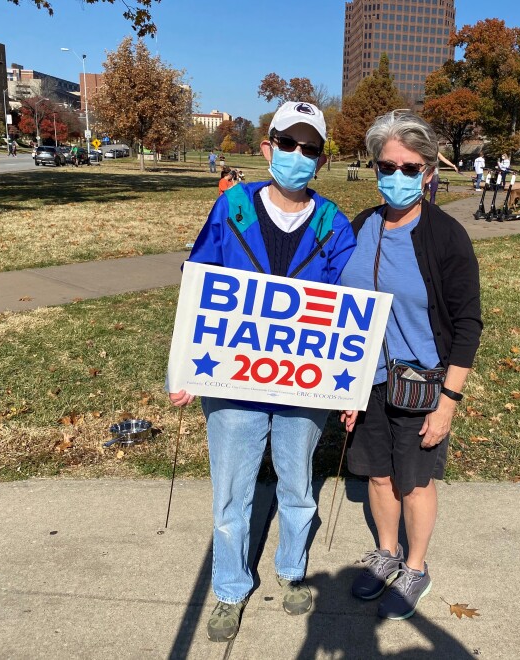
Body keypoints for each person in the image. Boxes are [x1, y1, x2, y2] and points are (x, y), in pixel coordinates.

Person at [168, 101, 356, 642]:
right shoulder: (233, 207)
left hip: (304, 382)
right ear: (267, 147)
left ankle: (292, 571)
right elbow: (199, 280)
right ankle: (230, 587)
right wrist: (181, 366)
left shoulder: (332, 223)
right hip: (231, 376)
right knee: (231, 493)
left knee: (298, 487)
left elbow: (351, 307)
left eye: (311, 148)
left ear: (320, 160)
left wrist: (351, 382)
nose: (298, 156)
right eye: (288, 143)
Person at [339, 111, 482, 620]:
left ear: (428, 172)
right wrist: (344, 387)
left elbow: (468, 325)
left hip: (424, 384)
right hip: (368, 380)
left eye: (410, 166)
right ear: (375, 168)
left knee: (414, 482)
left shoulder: (446, 237)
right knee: (378, 477)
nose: (397, 176)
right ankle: (386, 552)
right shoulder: (361, 226)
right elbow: (341, 307)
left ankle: (415, 566)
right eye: (387, 165)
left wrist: (449, 403)